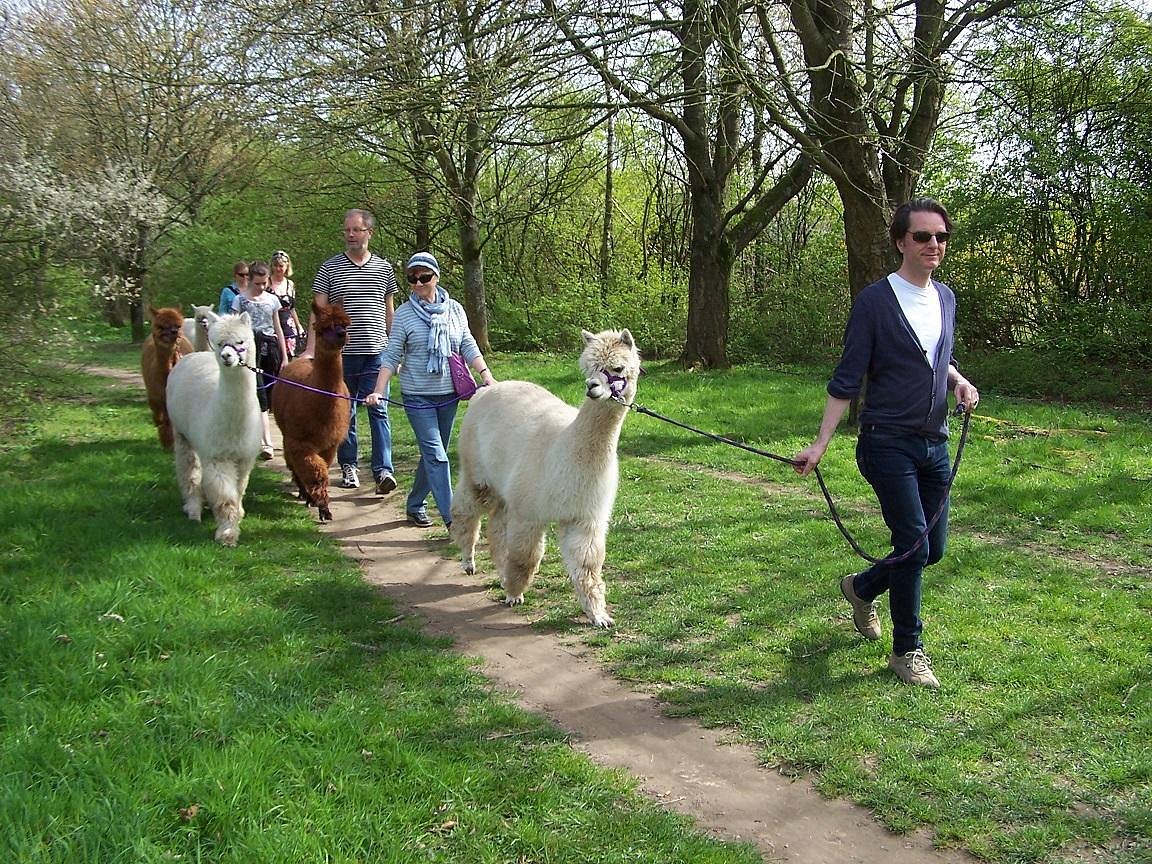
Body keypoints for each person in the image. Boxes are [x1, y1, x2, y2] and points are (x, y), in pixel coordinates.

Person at [792, 198, 980, 690]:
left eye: (941, 236)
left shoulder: (946, 298)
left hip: (934, 444)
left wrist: (959, 381)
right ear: (901, 242)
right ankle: (907, 651)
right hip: (886, 443)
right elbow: (847, 378)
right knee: (913, 544)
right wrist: (820, 443)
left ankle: (862, 587)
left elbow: (938, 357)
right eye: (922, 236)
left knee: (930, 550)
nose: (933, 244)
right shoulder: (875, 302)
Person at [366, 252, 494, 528]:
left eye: (424, 277)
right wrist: (378, 391)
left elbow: (467, 344)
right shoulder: (404, 314)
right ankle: (454, 520)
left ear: (436, 277)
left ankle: (414, 505)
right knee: (437, 456)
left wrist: (485, 374)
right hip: (417, 396)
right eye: (412, 279)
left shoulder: (454, 310)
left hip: (448, 395)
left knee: (434, 455)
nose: (418, 283)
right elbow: (391, 355)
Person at [306, 209, 398, 495]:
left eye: (356, 230)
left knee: (379, 410)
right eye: (347, 230)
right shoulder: (329, 268)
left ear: (369, 232)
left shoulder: (384, 269)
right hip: (340, 356)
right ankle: (349, 467)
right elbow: (319, 314)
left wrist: (396, 351)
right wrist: (311, 350)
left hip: (376, 352)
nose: (350, 235)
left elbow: (390, 312)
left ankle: (384, 471)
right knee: (346, 412)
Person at [232, 260, 287, 461]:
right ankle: (266, 443)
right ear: (249, 280)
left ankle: (278, 438)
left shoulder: (272, 300)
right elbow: (234, 328)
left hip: (270, 349)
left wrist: (285, 357)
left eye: (265, 283)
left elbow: (278, 328)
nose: (262, 287)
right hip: (248, 351)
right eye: (257, 284)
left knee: (274, 395)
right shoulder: (239, 300)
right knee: (258, 394)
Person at [269, 250, 305, 357]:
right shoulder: (266, 283)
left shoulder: (290, 284)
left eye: (281, 266)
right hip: (271, 326)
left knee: (290, 357)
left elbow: (292, 308)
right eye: (275, 265)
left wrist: (299, 326)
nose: (278, 269)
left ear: (287, 266)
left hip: (288, 326)